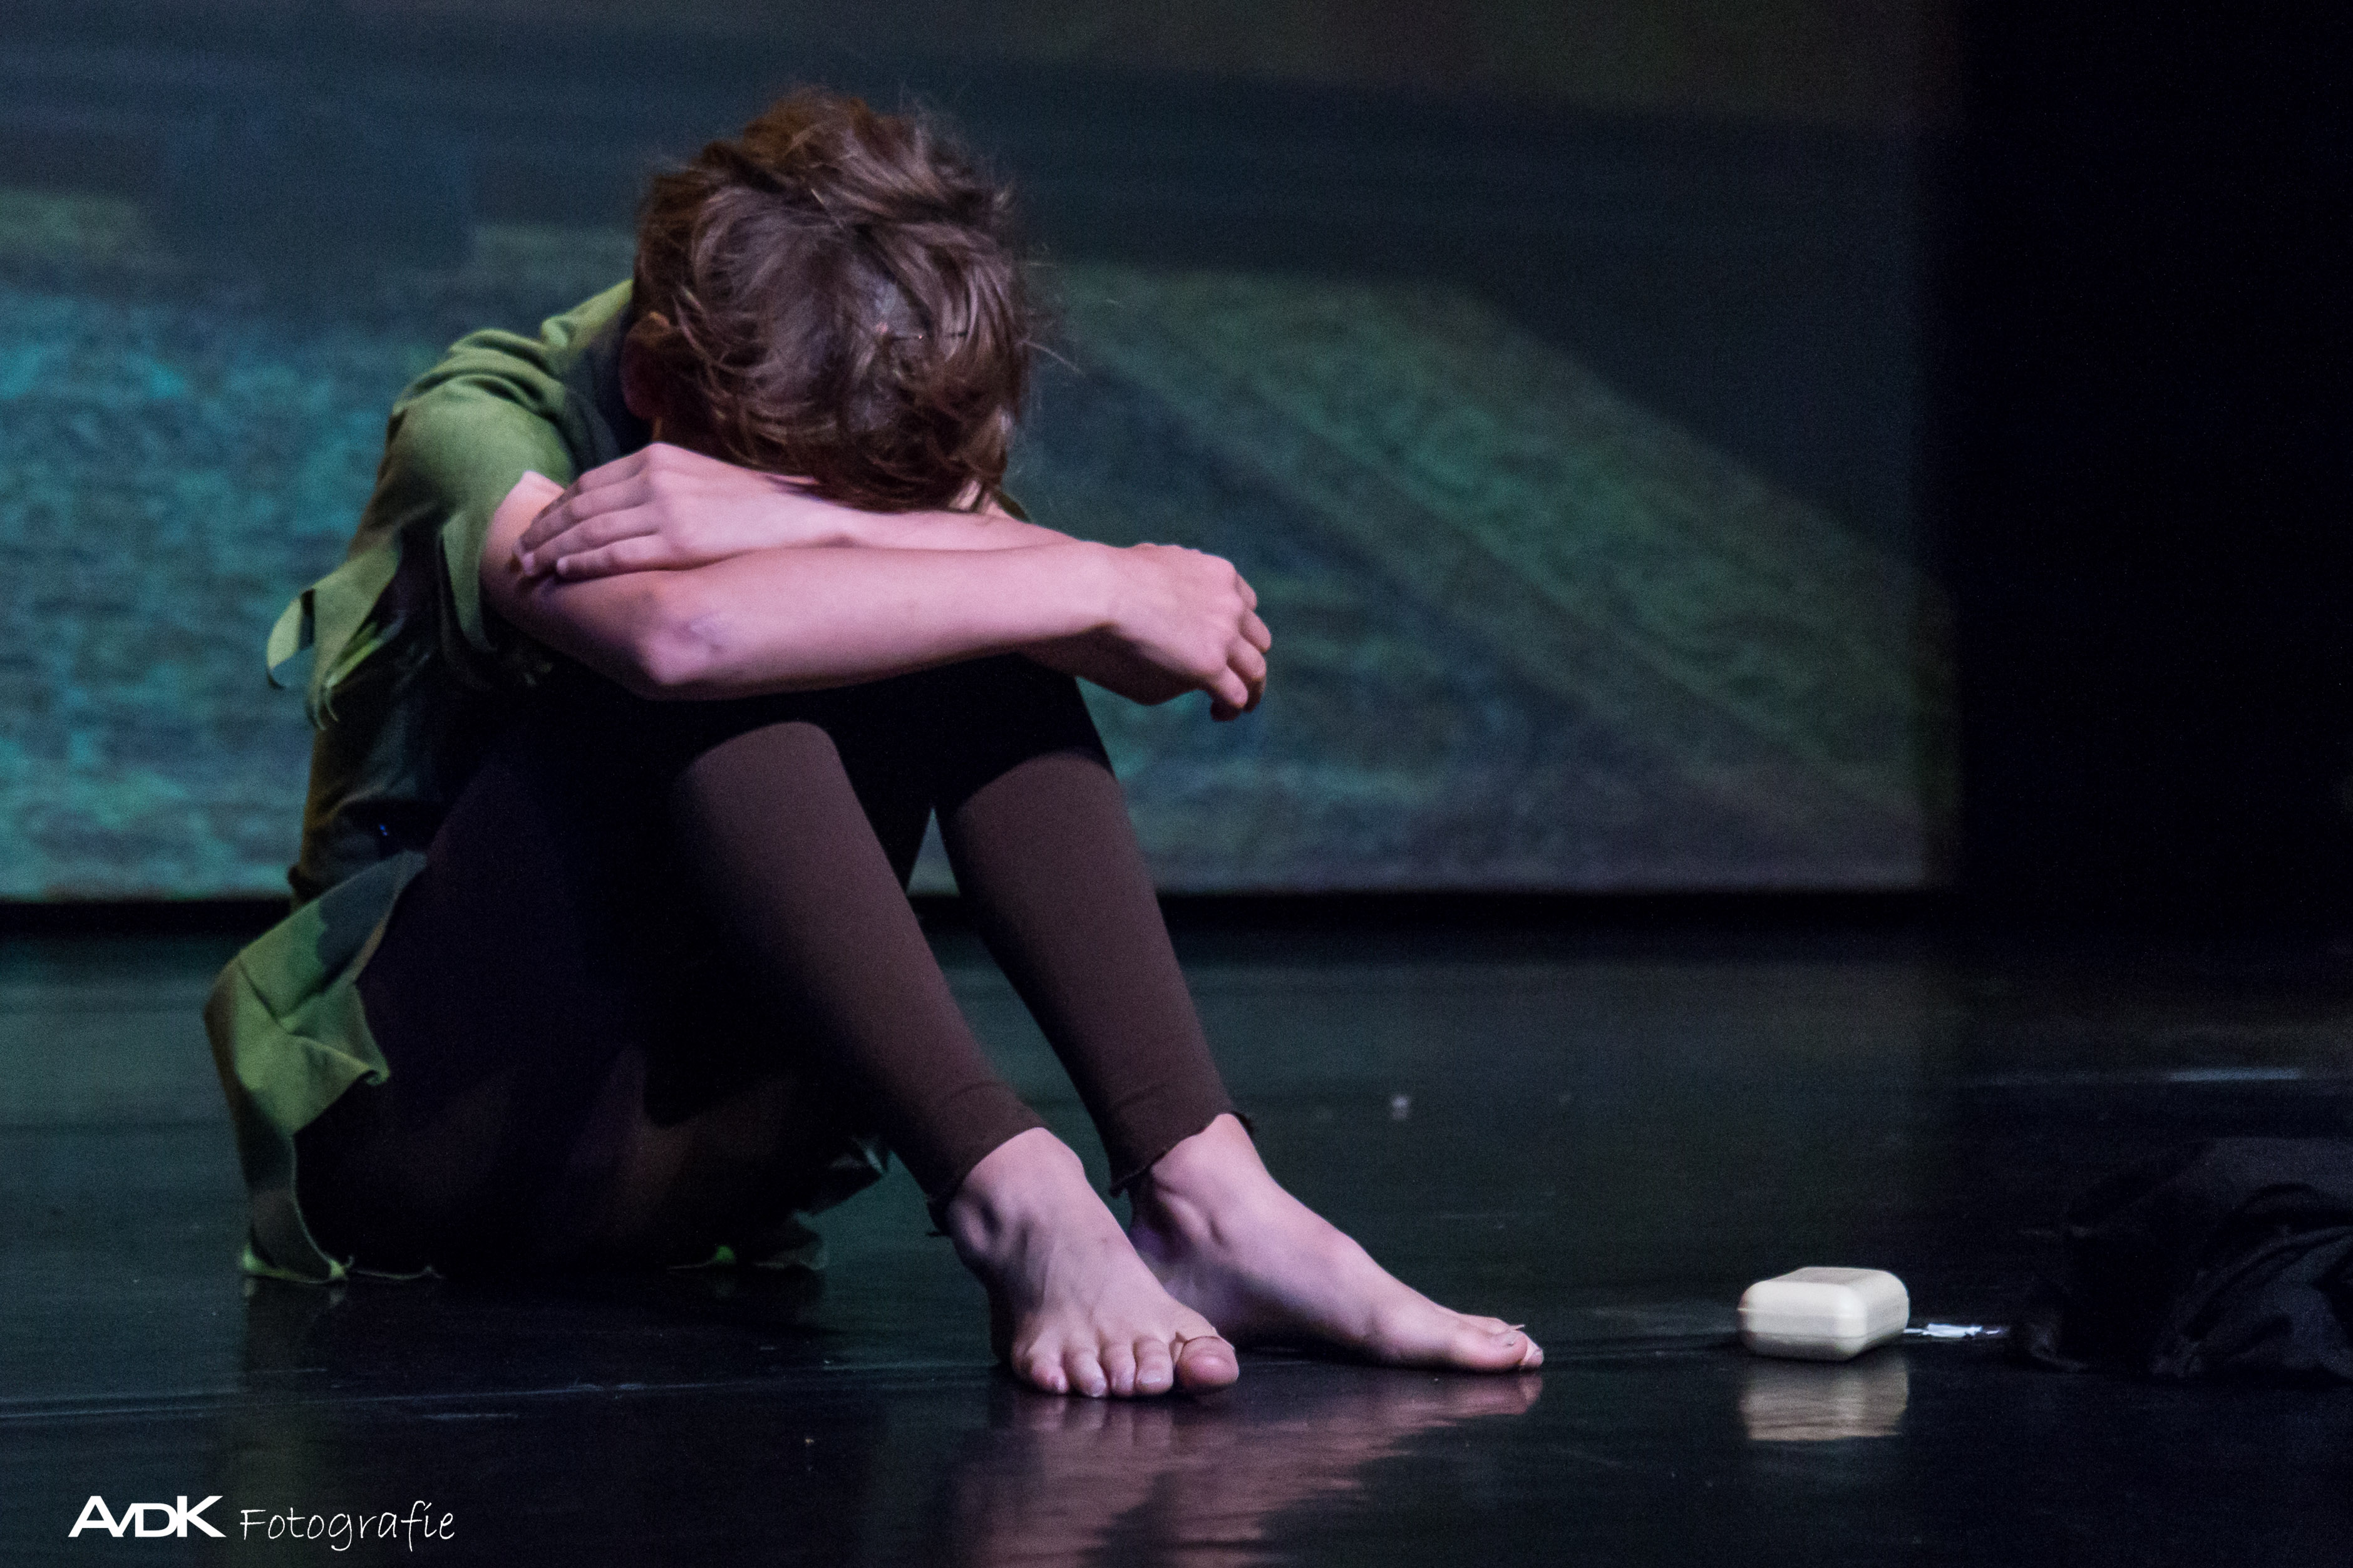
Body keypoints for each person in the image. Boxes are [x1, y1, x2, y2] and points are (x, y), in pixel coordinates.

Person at [206, 90, 1541, 1398]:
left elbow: (1121, 653)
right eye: (795, 480)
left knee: (975, 630)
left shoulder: (860, 381)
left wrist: (819, 524)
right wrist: (1082, 572)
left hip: (705, 1165)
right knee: (747, 640)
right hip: (438, 1141)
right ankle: (1015, 1196)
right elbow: (681, 641)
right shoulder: (482, 422)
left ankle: (1210, 1193)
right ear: (651, 381)